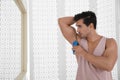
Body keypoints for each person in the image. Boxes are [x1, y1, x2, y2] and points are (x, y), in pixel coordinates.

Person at [58, 11, 118, 80]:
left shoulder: (109, 42)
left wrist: (83, 53)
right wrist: (79, 18)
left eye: (80, 26)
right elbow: (61, 21)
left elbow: (108, 66)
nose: (77, 30)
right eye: (77, 27)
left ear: (91, 26)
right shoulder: (78, 40)